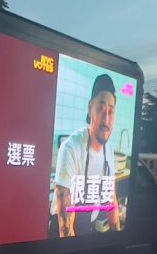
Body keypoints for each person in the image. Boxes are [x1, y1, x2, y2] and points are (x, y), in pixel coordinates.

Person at [52, 74, 122, 237]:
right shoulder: (71, 148)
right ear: (91, 108)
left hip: (87, 226)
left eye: (111, 111)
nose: (106, 119)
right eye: (101, 109)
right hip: (63, 233)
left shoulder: (109, 149)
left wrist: (118, 236)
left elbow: (111, 196)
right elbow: (65, 228)